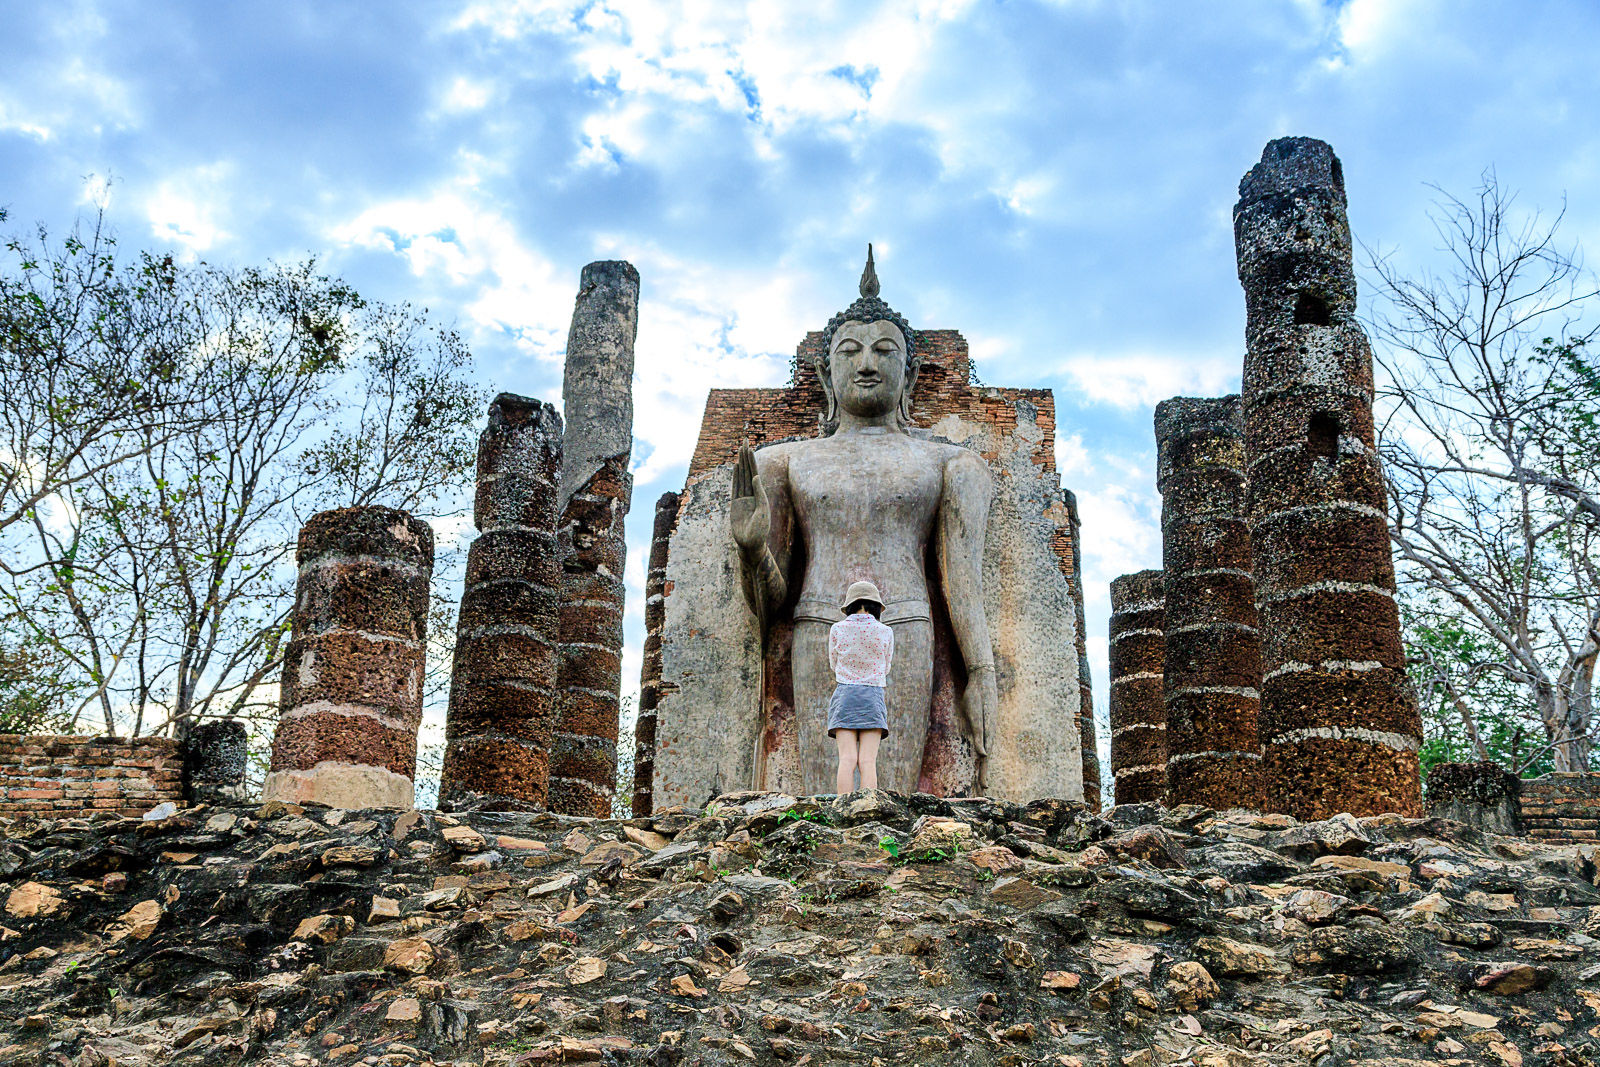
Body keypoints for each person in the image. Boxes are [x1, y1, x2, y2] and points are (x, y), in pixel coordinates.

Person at [827, 580, 894, 794]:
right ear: (876, 605)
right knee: (868, 760)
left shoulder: (837, 628)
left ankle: (841, 809)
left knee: (847, 759)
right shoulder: (885, 631)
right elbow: (886, 666)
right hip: (872, 696)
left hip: (845, 694)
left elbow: (833, 663)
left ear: (850, 605)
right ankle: (867, 810)